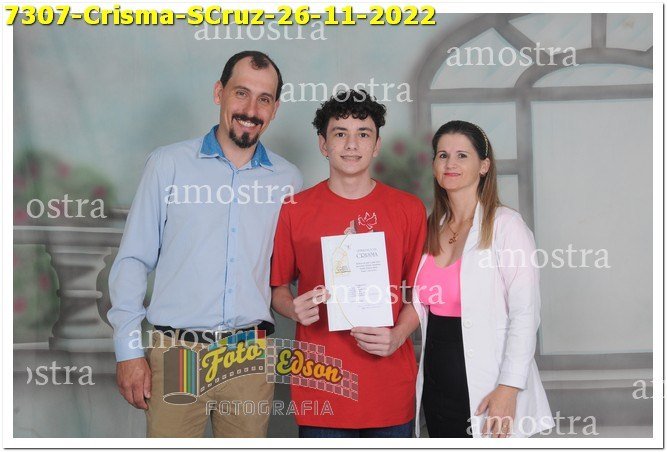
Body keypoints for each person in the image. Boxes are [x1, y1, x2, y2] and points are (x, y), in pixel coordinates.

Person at [107, 50, 302, 438]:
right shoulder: (168, 165)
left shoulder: (289, 180)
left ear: (275, 108)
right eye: (241, 93)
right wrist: (128, 350)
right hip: (177, 352)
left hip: (249, 355)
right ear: (219, 93)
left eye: (264, 99)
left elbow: (290, 270)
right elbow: (132, 260)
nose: (251, 110)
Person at [270, 89, 426, 438]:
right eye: (340, 133)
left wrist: (399, 335)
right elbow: (278, 289)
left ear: (377, 145)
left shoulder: (409, 210)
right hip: (322, 386)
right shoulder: (294, 209)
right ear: (323, 144)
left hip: (388, 386)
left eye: (363, 134)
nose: (352, 144)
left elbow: (422, 293)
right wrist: (293, 309)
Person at [412, 120, 554, 438]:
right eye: (442, 155)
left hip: (489, 386)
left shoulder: (507, 226)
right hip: (437, 385)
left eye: (462, 155)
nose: (450, 163)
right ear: (434, 165)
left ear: (484, 165)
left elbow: (525, 313)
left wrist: (509, 387)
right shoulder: (431, 226)